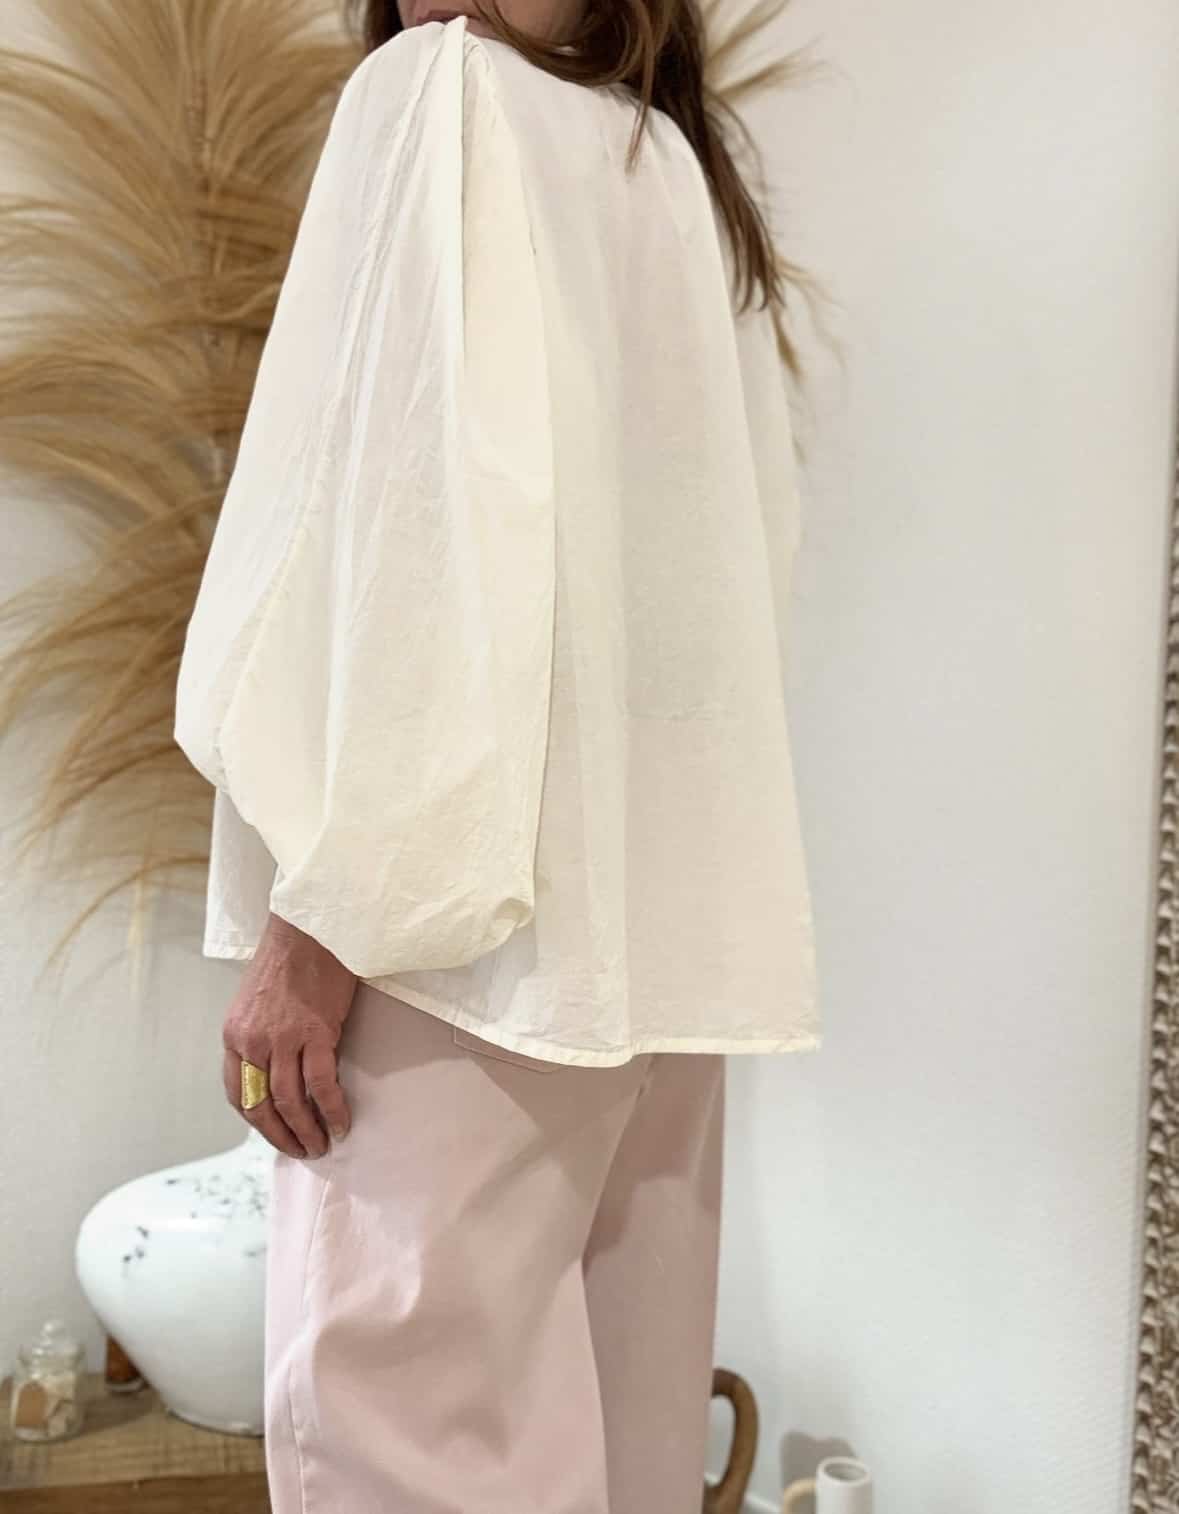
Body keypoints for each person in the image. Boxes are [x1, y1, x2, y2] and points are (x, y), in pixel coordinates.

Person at [173, 0, 821, 1506]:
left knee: (399, 1460)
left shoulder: (441, 93)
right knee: (634, 1461)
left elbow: (405, 530)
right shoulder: (674, 168)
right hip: (652, 978)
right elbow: (730, 592)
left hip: (453, 962)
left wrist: (322, 923)